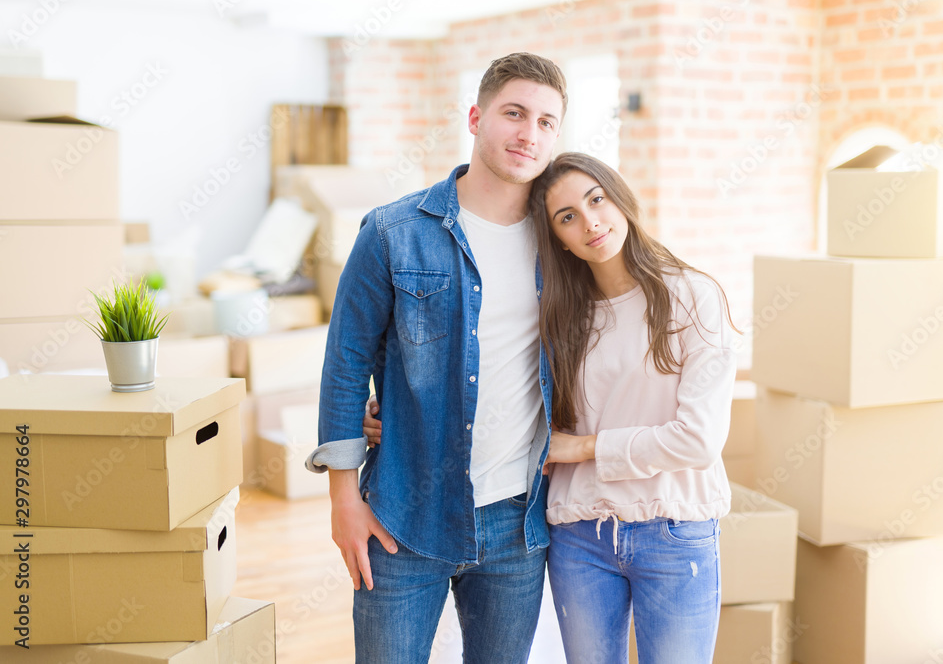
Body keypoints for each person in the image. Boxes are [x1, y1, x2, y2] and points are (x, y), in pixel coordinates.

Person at [304, 52, 567, 664]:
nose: (529, 133)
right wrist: (344, 502)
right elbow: (345, 366)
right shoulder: (393, 232)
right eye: (514, 113)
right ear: (476, 118)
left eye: (547, 122)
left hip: (516, 526)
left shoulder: (562, 245)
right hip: (401, 516)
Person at [528, 152, 740, 663]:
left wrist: (584, 447)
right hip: (579, 533)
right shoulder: (560, 317)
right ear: (558, 238)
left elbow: (699, 439)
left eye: (596, 200)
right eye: (568, 217)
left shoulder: (694, 297)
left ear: (619, 198)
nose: (590, 222)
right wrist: (389, 415)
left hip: (673, 528)